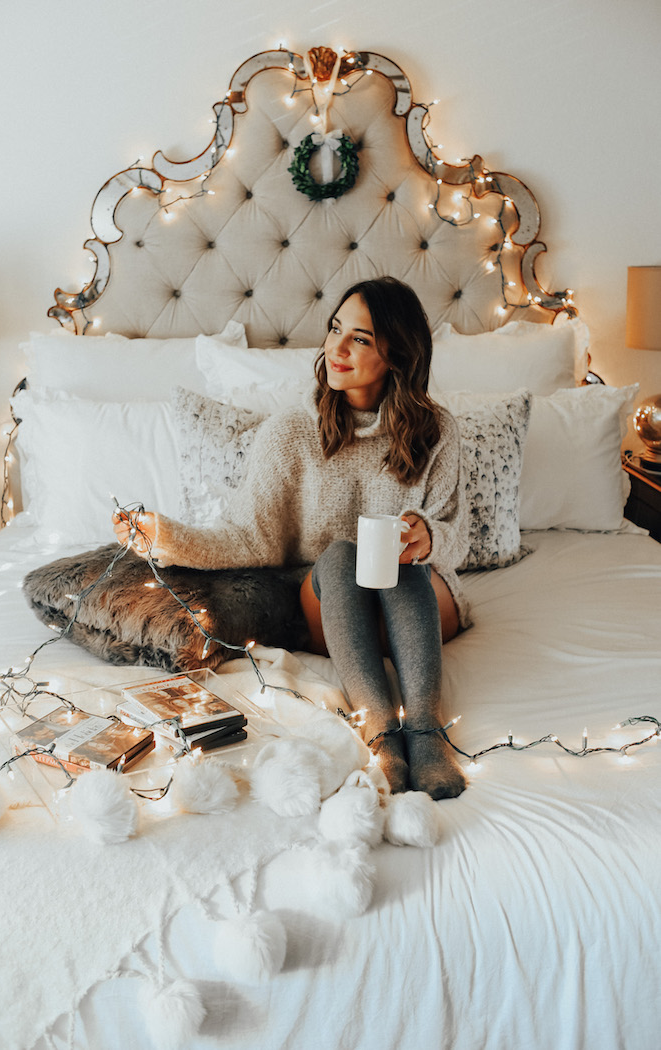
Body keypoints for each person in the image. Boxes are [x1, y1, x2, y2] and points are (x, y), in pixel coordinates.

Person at [114, 277, 470, 798]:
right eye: (334, 329)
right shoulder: (290, 433)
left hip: (421, 604)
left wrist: (427, 536)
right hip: (336, 606)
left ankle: (425, 728)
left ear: (399, 353)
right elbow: (250, 538)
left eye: (362, 338)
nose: (336, 348)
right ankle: (380, 730)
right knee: (343, 555)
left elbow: (457, 539)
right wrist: (166, 536)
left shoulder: (437, 430)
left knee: (399, 561)